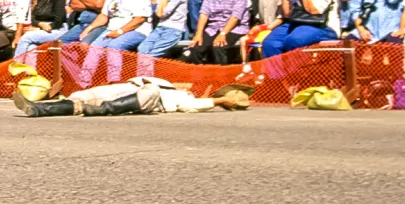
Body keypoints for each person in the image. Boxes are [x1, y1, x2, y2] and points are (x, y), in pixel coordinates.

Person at [13, 76, 251, 117]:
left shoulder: (184, 98)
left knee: (151, 90)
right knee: (83, 96)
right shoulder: (175, 87)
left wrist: (219, 101)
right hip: (126, 88)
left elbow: (195, 106)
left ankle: (105, 109)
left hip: (150, 98)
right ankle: (37, 108)